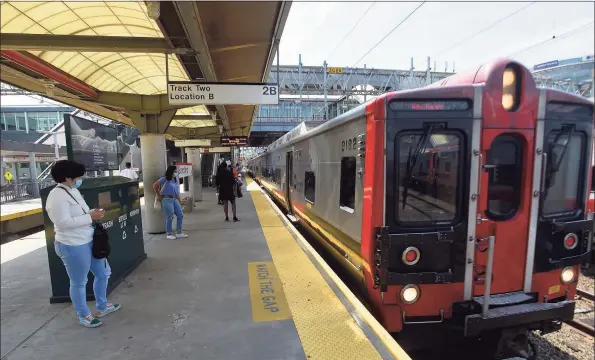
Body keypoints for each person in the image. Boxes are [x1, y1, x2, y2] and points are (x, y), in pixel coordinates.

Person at [45, 160, 120, 328]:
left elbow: (81, 212)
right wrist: (89, 217)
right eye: (78, 176)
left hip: (89, 239)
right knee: (79, 282)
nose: (81, 178)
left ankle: (102, 306)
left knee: (103, 273)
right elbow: (62, 223)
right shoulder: (57, 196)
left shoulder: (72, 190)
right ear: (67, 177)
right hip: (73, 245)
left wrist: (92, 214)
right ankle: (83, 315)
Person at [153, 165, 188, 240]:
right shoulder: (164, 179)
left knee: (180, 215)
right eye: (175, 171)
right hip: (166, 199)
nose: (176, 173)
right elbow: (155, 185)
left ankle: (179, 232)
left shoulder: (175, 180)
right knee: (170, 216)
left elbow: (177, 192)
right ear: (171, 171)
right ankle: (169, 233)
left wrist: (179, 201)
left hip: (174, 199)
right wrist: (159, 194)